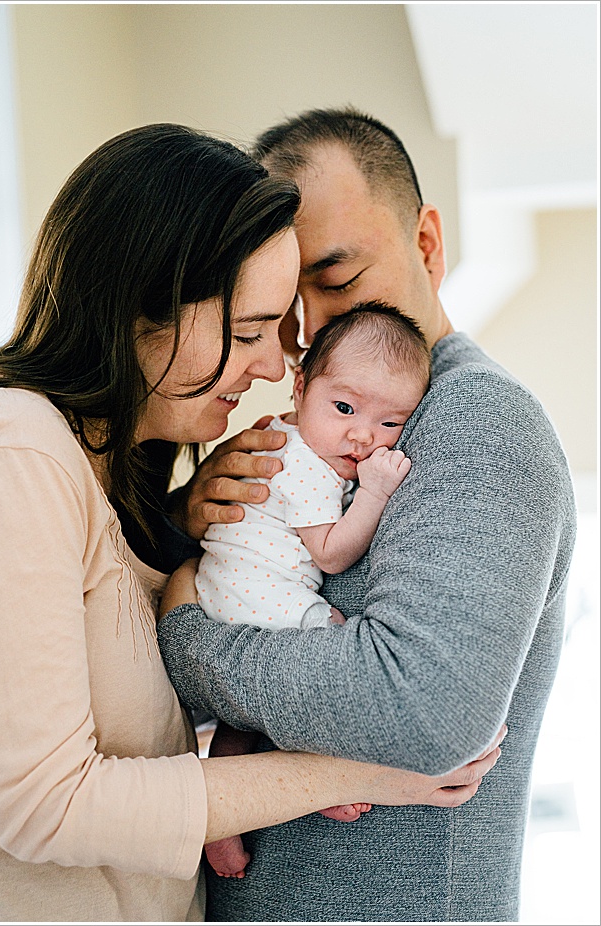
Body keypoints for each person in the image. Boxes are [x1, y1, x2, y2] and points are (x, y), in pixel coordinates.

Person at [0, 123, 499, 922]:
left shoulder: (124, 479)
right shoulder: (19, 451)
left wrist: (189, 535)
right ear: (139, 308)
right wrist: (356, 770)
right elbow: (44, 806)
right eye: (252, 330)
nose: (273, 364)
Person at [158, 107, 577, 921]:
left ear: (427, 243)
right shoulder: (316, 433)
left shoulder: (476, 424)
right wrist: (193, 526)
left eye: (339, 280)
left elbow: (421, 711)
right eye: (283, 304)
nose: (311, 329)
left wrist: (192, 638)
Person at [194, 303, 432, 878]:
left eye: (389, 423)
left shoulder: (286, 430)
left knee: (240, 720)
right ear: (302, 387)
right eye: (345, 408)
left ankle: (216, 827)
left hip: (226, 590)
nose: (361, 435)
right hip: (259, 595)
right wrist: (374, 493)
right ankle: (316, 775)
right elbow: (330, 551)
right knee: (336, 658)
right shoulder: (304, 465)